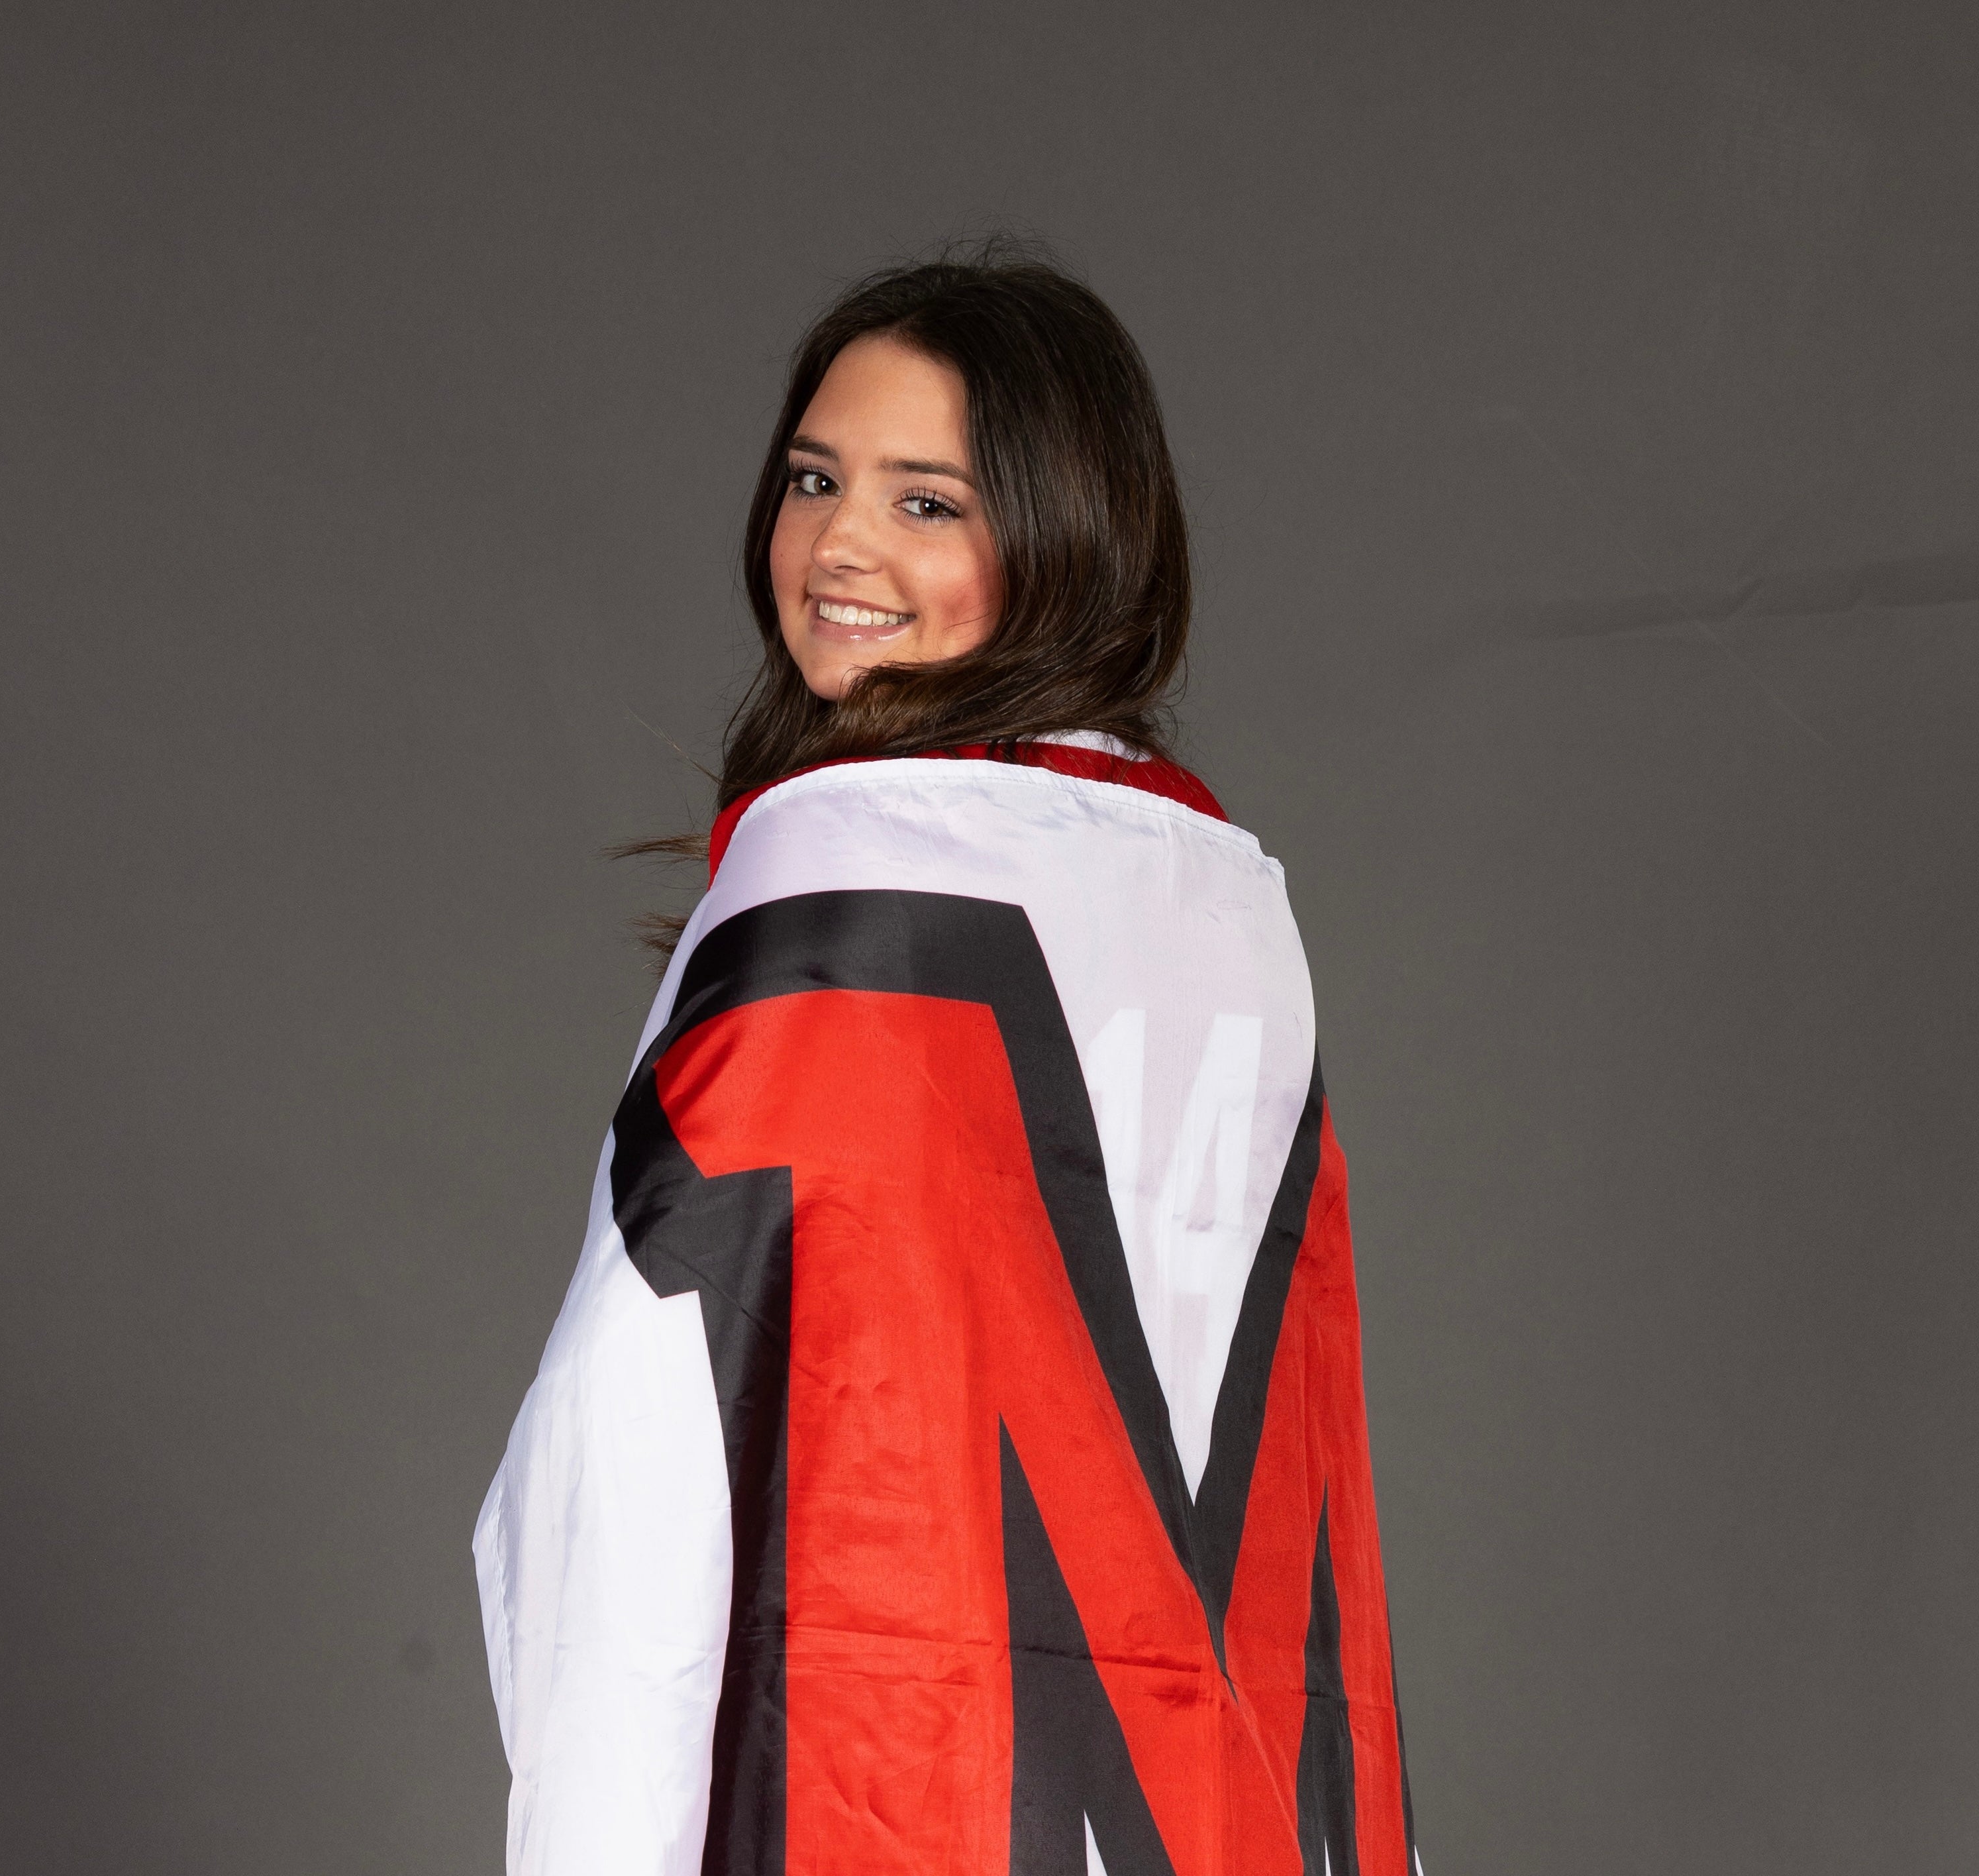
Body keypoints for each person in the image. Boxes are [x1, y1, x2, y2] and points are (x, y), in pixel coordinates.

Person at [474, 247, 1419, 1876]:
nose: (837, 545)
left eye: (927, 503)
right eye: (814, 479)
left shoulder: (831, 877)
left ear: (1065, 539)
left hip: (895, 1801)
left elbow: (627, 1442)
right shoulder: (1236, 905)